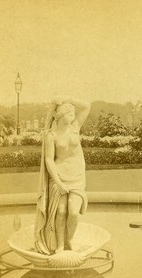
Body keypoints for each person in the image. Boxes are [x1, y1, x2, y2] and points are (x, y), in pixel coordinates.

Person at [35, 99, 90, 255]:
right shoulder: (51, 136)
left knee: (73, 212)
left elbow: (86, 105)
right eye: (69, 113)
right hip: (59, 177)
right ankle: (59, 244)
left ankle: (69, 240)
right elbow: (48, 160)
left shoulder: (75, 129)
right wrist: (58, 183)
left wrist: (67, 97)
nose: (73, 116)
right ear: (59, 115)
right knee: (60, 211)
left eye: (73, 113)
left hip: (77, 177)